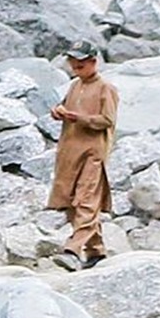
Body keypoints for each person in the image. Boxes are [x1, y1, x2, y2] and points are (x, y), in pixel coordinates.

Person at [49, 41, 120, 272]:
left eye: (81, 61)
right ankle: (95, 251)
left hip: (93, 153)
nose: (76, 65)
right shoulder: (74, 86)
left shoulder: (105, 88)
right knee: (70, 200)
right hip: (70, 152)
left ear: (93, 61)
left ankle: (73, 249)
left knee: (87, 200)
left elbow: (107, 120)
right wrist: (58, 112)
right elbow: (64, 106)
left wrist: (80, 118)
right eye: (73, 61)